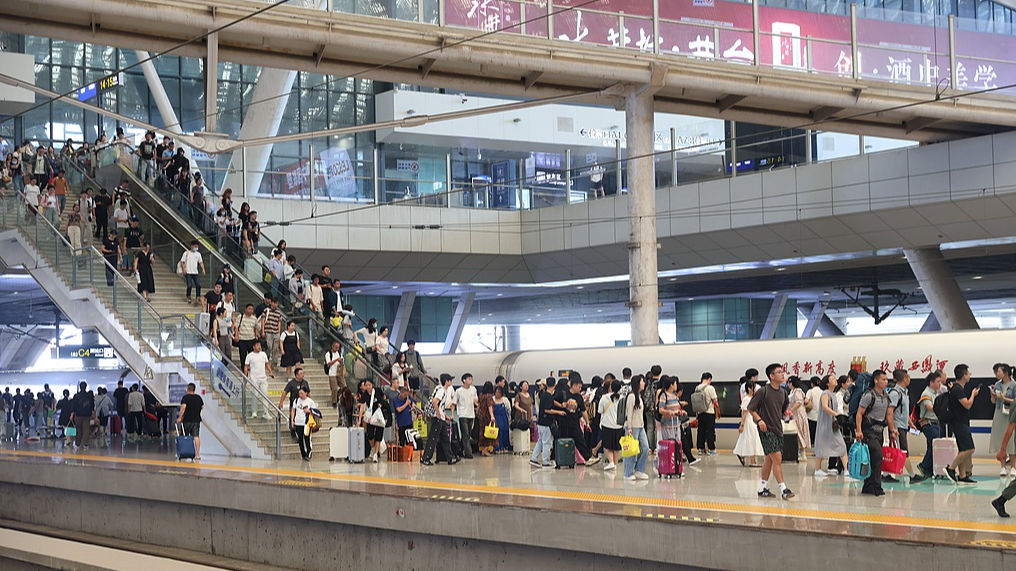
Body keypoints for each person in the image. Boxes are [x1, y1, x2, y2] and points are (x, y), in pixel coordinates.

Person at [747, 363, 795, 500]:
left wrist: (787, 414)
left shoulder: (783, 393)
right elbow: (751, 409)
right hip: (766, 429)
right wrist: (760, 420)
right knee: (777, 459)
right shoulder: (763, 391)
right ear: (771, 376)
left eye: (782, 372)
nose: (782, 374)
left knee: (769, 459)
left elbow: (782, 410)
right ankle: (783, 489)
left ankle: (762, 489)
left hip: (777, 429)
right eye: (779, 372)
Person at [855, 369, 890, 496]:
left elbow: (888, 414)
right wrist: (859, 430)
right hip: (868, 431)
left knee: (873, 459)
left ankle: (868, 486)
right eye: (883, 380)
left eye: (886, 380)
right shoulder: (869, 395)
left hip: (880, 431)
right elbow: (859, 413)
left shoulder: (886, 396)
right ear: (876, 381)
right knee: (877, 456)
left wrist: (891, 430)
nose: (886, 382)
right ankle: (876, 486)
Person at [945, 364, 980, 484]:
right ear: (964, 375)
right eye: (968, 373)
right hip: (959, 423)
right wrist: (973, 395)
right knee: (970, 449)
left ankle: (962, 475)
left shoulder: (955, 388)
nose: (969, 375)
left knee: (963, 449)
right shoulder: (958, 389)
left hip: (959, 422)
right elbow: (967, 404)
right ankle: (950, 468)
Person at [558, 373, 600, 466]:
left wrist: (587, 422)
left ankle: (587, 458)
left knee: (580, 440)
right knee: (563, 441)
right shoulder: (564, 393)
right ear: (574, 385)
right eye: (579, 387)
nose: (580, 389)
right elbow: (554, 401)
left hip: (575, 422)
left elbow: (584, 410)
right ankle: (561, 459)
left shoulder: (579, 397)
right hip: (564, 422)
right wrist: (561, 405)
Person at [812, 374, 848, 477]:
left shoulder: (834, 394)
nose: (835, 380)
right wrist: (837, 415)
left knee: (841, 445)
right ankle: (817, 469)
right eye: (832, 379)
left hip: (833, 424)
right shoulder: (825, 393)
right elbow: (825, 407)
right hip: (825, 423)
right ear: (827, 383)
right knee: (821, 445)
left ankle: (846, 469)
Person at [886, 369, 918, 481]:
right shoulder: (895, 393)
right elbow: (890, 412)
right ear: (905, 379)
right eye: (908, 378)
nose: (909, 380)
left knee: (895, 451)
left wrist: (910, 423)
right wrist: (892, 429)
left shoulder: (904, 393)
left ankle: (886, 475)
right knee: (903, 451)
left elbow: (904, 412)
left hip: (903, 426)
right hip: (897, 427)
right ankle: (912, 475)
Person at [421, 374, 459, 466]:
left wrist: (444, 415)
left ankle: (451, 458)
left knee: (445, 438)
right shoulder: (441, 390)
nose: (451, 382)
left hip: (440, 418)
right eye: (450, 380)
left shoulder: (440, 389)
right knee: (432, 439)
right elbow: (435, 401)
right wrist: (438, 413)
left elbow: (440, 405)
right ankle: (425, 458)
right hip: (437, 418)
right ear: (446, 381)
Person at [620, 375, 650, 480]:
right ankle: (627, 473)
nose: (644, 383)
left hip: (640, 426)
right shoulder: (632, 396)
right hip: (632, 427)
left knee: (645, 448)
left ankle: (639, 469)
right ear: (638, 383)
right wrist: (629, 427)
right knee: (631, 450)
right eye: (642, 382)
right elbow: (629, 413)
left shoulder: (639, 396)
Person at [990, 363, 1016, 478]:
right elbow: (993, 402)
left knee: (1011, 441)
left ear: (1005, 372)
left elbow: (1014, 401)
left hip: (1011, 414)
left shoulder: (1014, 385)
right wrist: (993, 397)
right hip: (999, 413)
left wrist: (1003, 398)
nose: (996, 374)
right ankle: (1002, 466)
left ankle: (1013, 467)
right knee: (1001, 438)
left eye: (998, 371)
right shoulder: (997, 385)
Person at [531, 378, 562, 468]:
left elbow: (551, 402)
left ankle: (534, 458)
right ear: (555, 385)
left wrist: (560, 405)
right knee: (547, 443)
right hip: (546, 423)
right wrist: (558, 412)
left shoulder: (545, 395)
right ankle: (546, 461)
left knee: (540, 441)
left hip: (541, 422)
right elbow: (547, 410)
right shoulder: (548, 396)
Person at [734, 378, 764, 467]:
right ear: (750, 388)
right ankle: (752, 461)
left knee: (749, 438)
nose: (755, 389)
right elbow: (744, 413)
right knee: (752, 438)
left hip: (752, 420)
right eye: (754, 388)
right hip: (749, 421)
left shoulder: (752, 398)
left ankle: (743, 455)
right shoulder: (746, 399)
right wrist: (742, 425)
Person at [244, 340, 274, 419]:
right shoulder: (250, 356)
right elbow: (246, 366)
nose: (259, 347)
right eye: (257, 345)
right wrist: (245, 376)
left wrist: (270, 372)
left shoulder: (263, 354)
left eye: (259, 345)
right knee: (255, 395)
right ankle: (254, 412)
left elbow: (267, 364)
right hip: (254, 378)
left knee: (265, 395)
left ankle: (266, 412)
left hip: (263, 377)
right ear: (253, 346)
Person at [598, 379, 624, 471]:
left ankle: (611, 462)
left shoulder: (604, 397)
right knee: (616, 446)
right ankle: (615, 464)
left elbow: (600, 411)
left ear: (611, 387)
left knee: (608, 445)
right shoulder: (622, 398)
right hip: (619, 425)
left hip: (607, 424)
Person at [279, 368, 310, 438]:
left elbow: (308, 392)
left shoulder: (305, 383)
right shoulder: (291, 383)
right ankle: (293, 430)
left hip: (303, 404)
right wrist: (281, 402)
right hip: (294, 403)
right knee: (293, 416)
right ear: (296, 375)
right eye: (301, 373)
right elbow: (285, 392)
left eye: (303, 373)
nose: (303, 375)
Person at [694, 372, 719, 456]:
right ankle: (711, 449)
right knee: (710, 431)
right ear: (709, 379)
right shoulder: (710, 388)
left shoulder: (697, 388)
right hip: (709, 412)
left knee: (701, 431)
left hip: (700, 412)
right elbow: (715, 401)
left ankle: (700, 449)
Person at [788, 376, 812, 460]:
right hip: (795, 414)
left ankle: (802, 453)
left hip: (798, 414)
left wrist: (791, 410)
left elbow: (798, 402)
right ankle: (800, 452)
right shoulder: (792, 391)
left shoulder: (798, 391)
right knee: (798, 433)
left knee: (800, 432)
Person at [291, 386, 317, 462]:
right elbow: (293, 410)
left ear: (306, 393)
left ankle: (308, 453)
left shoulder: (310, 401)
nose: (300, 395)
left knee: (307, 438)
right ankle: (303, 454)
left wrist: (309, 411)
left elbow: (316, 412)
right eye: (299, 393)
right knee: (300, 439)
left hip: (306, 423)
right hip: (298, 422)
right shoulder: (296, 400)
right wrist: (292, 420)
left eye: (302, 393)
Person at [456, 373, 478, 459]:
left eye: (471, 379)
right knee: (465, 433)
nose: (471, 381)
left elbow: (475, 400)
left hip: (471, 414)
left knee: (468, 434)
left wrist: (476, 403)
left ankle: (460, 449)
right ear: (464, 380)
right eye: (469, 379)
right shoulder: (459, 391)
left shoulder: (473, 389)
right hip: (462, 414)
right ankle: (469, 453)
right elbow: (454, 402)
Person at [69, 382, 95, 450]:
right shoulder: (89, 395)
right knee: (86, 429)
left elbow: (73, 406)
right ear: (86, 387)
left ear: (80, 387)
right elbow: (92, 405)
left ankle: (77, 444)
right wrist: (92, 412)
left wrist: (72, 414)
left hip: (78, 415)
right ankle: (85, 445)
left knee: (78, 429)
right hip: (87, 415)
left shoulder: (76, 396)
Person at [259, 297, 283, 367]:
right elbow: (263, 321)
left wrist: (279, 331)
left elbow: (279, 322)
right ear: (271, 303)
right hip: (268, 331)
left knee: (275, 349)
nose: (275, 304)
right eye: (274, 303)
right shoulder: (266, 310)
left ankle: (274, 364)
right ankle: (266, 361)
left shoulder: (278, 312)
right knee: (268, 347)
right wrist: (263, 331)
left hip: (276, 332)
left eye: (276, 303)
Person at [233, 303, 259, 368]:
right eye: (249, 309)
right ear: (246, 309)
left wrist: (256, 336)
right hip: (242, 339)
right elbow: (236, 327)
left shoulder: (254, 318)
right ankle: (243, 368)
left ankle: (251, 367)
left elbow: (256, 327)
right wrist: (236, 335)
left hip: (251, 339)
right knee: (243, 355)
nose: (250, 310)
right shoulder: (240, 317)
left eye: (252, 309)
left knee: (252, 355)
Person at [477, 381, 497, 457]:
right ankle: (485, 450)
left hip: (481, 416)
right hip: (487, 417)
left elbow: (479, 405)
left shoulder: (481, 395)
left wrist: (477, 413)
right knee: (489, 433)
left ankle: (482, 449)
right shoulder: (489, 396)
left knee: (482, 433)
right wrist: (492, 416)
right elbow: (490, 407)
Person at [324, 340, 344, 408]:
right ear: (332, 346)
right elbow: (329, 363)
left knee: (344, 386)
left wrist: (340, 361)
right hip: (332, 373)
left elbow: (342, 361)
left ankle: (337, 396)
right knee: (334, 388)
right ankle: (334, 401)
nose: (337, 348)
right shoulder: (328, 354)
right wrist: (336, 360)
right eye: (335, 347)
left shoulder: (339, 353)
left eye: (338, 347)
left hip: (338, 372)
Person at [493, 385, 511, 453]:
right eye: (496, 392)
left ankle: (505, 447)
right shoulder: (493, 399)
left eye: (499, 392)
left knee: (505, 432)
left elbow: (509, 410)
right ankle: (497, 447)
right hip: (496, 418)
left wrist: (509, 419)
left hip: (503, 418)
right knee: (497, 433)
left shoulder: (505, 400)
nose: (497, 394)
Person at [805, 376, 823, 445]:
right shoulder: (822, 391)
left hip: (811, 414)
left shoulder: (810, 391)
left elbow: (806, 401)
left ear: (812, 383)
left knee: (811, 431)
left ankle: (812, 444)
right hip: (820, 414)